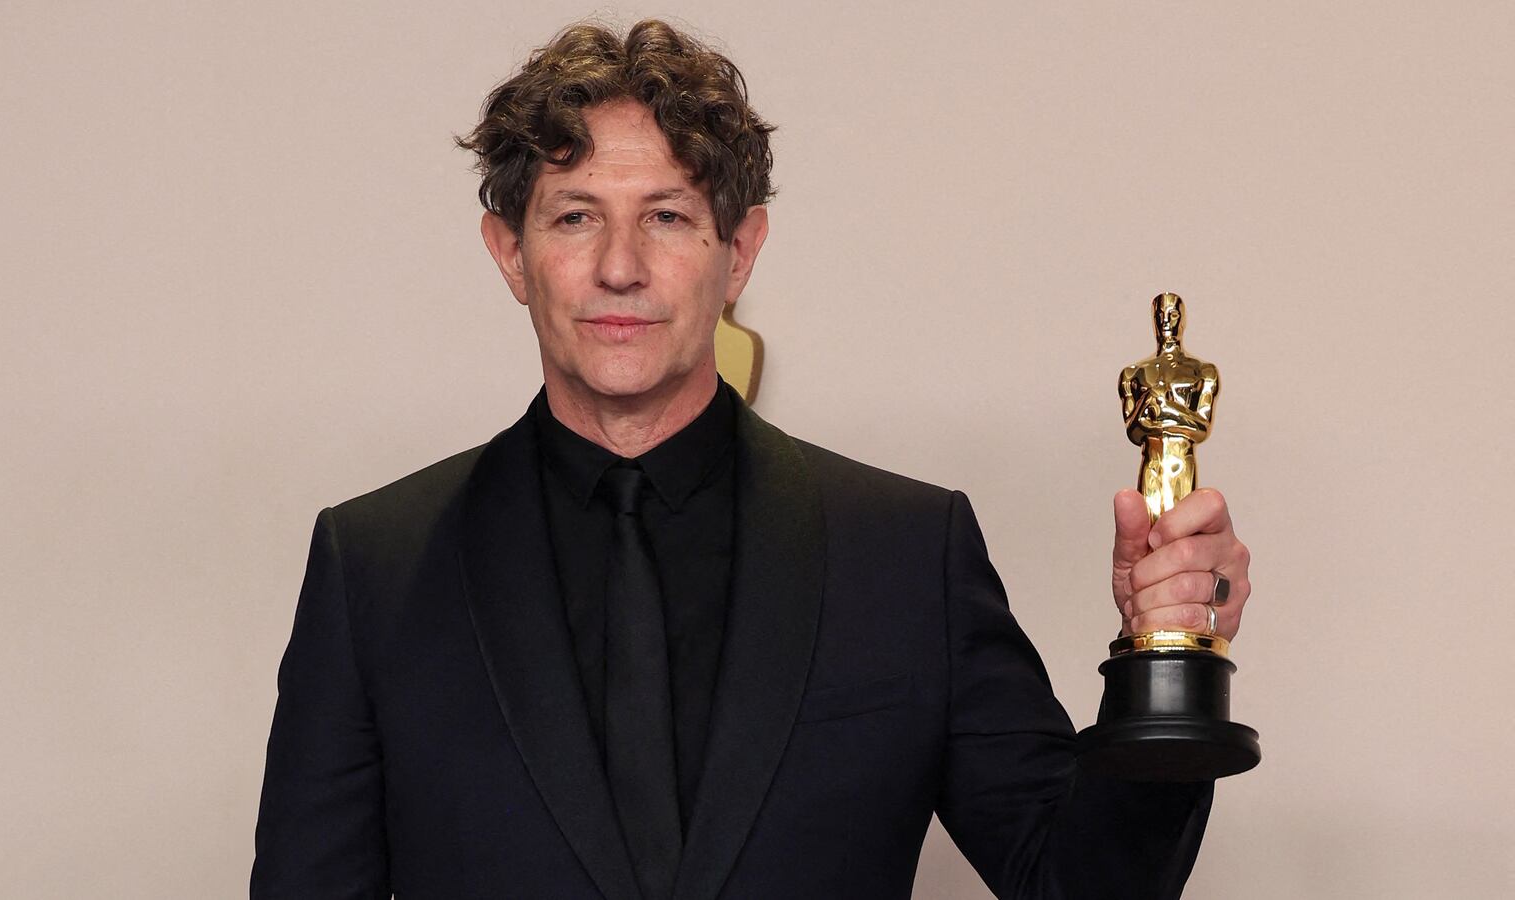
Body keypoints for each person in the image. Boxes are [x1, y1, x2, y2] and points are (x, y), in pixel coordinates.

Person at [251, 19, 1253, 900]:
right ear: (509, 252)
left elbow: (1075, 882)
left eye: (668, 215)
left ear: (742, 250)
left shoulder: (906, 555)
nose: (618, 265)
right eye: (573, 215)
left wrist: (1163, 663)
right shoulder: (372, 567)